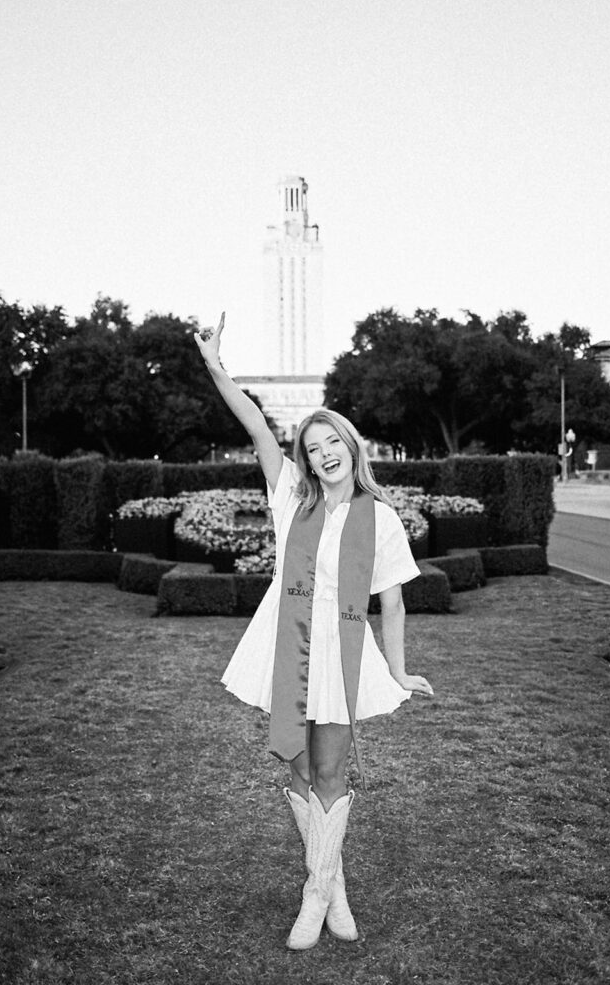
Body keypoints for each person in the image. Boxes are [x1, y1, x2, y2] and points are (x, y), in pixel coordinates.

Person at [195, 313, 434, 951]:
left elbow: (394, 604)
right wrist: (217, 365)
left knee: (330, 771)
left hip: (340, 646)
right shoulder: (290, 494)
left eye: (334, 444)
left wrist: (400, 667)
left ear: (351, 448)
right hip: (285, 639)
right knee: (296, 768)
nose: (323, 454)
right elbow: (253, 423)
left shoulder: (378, 518)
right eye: (313, 446)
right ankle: (333, 887)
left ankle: (314, 897)